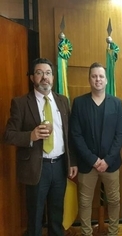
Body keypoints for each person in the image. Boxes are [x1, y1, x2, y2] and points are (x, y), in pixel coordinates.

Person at [4, 58, 78, 236]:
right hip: (37, 168)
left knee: (56, 216)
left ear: (53, 77)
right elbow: (8, 135)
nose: (44, 77)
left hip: (60, 166)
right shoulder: (21, 103)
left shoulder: (63, 101)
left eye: (48, 73)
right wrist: (31, 135)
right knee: (35, 217)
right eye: (39, 73)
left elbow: (68, 135)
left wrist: (72, 162)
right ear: (32, 77)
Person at [69, 62, 122, 236]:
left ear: (107, 80)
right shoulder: (79, 103)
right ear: (89, 80)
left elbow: (120, 134)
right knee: (85, 203)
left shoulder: (116, 103)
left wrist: (107, 160)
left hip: (111, 163)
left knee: (114, 201)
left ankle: (113, 232)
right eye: (94, 76)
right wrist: (93, 160)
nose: (98, 79)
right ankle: (86, 233)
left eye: (101, 76)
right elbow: (75, 135)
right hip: (88, 165)